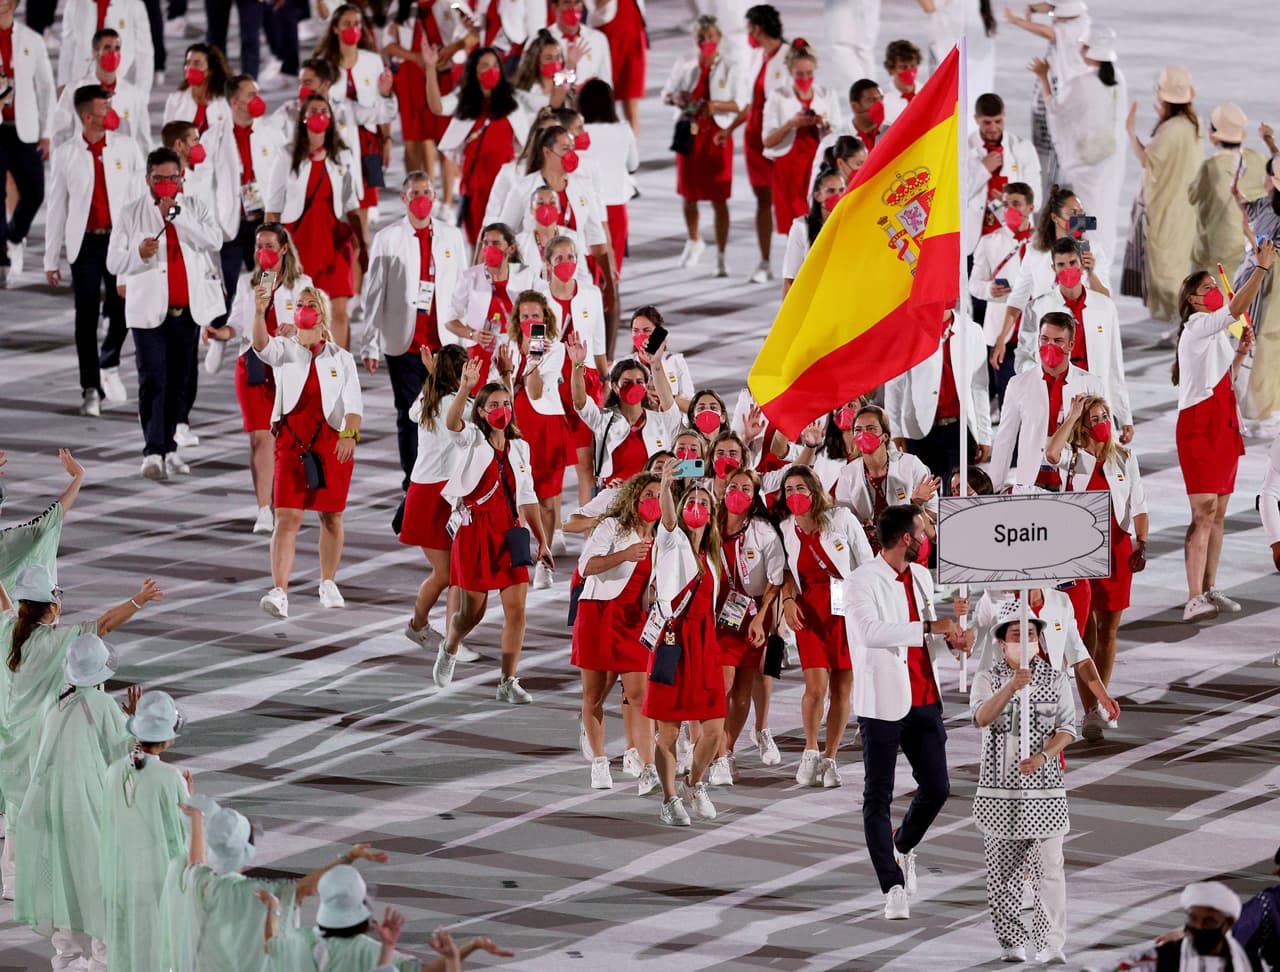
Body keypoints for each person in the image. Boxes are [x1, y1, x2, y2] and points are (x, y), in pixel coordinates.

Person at [0, 564, 161, 896]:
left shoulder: (7, 631)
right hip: (41, 739)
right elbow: (102, 626)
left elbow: (4, 609)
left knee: (18, 810)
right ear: (52, 606)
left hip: (8, 739)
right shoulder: (56, 641)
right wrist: (139, 599)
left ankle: (12, 880)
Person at [846, 504, 971, 920]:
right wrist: (930, 629)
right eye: (923, 531)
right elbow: (869, 632)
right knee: (876, 795)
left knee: (937, 787)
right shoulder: (861, 580)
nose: (927, 537)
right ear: (906, 538)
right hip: (881, 701)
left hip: (924, 698)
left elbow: (945, 627)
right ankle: (892, 886)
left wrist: (956, 640)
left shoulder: (922, 577)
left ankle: (901, 847)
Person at [14, 634, 137, 972]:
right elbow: (126, 756)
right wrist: (135, 724)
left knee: (63, 879)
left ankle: (67, 959)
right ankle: (104, 959)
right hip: (89, 807)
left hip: (48, 809)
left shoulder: (52, 705)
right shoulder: (100, 706)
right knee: (102, 882)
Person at [432, 359, 550, 704]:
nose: (502, 410)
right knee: (473, 612)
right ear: (481, 412)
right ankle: (450, 645)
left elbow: (528, 498)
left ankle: (507, 680)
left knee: (517, 609)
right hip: (476, 531)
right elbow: (452, 423)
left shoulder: (521, 448)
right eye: (494, 405)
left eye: (506, 404)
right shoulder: (470, 440)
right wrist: (467, 387)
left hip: (510, 532)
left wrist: (542, 542)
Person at [105, 146, 226, 481]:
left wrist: (178, 216)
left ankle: (170, 446)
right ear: (148, 179)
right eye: (159, 179)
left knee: (179, 381)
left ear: (181, 177)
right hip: (147, 313)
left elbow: (212, 241)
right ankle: (152, 451)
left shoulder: (194, 207)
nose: (166, 184)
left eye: (172, 178)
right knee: (153, 380)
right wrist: (137, 254)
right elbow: (114, 262)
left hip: (187, 311)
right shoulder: (131, 213)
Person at [970, 600, 1075, 966]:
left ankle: (1050, 943)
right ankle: (1012, 940)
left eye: (1030, 634)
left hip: (1046, 792)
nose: (1025, 641)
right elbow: (981, 717)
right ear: (1001, 641)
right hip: (1000, 795)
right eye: (1017, 635)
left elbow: (1067, 728)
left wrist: (1045, 756)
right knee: (1003, 877)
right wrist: (1012, 687)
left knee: (1050, 871)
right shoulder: (987, 678)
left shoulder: (1055, 679)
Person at [1174, 248, 1273, 621]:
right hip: (1199, 428)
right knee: (1202, 513)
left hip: (1222, 423)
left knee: (1219, 514)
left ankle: (1210, 587)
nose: (1215, 291)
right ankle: (1192, 596)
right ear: (1192, 300)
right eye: (1208, 288)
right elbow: (1233, 309)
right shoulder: (1197, 326)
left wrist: (1239, 352)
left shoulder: (1214, 334)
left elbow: (1219, 380)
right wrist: (1260, 270)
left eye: (1217, 286)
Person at [252, 287, 362, 618]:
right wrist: (259, 313)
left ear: (322, 314)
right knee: (287, 517)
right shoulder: (284, 350)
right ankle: (280, 591)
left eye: (311, 304)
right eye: (299, 304)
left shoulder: (341, 358)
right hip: (290, 443)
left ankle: (328, 582)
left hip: (331, 445)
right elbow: (260, 346)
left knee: (331, 517)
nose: (303, 309)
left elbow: (354, 407)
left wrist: (349, 436)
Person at [1045, 393, 1147, 739]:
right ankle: (1090, 710)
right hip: (1082, 550)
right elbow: (1050, 453)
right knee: (1084, 629)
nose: (1103, 422)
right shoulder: (1073, 458)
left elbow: (1139, 502)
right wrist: (1071, 416)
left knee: (1110, 629)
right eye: (1095, 418)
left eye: (1106, 416)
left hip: (1118, 549)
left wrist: (1142, 541)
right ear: (1083, 427)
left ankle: (1101, 701)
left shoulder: (1124, 457)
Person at [44, 83, 147, 419]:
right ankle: (90, 386)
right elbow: (57, 208)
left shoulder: (127, 148)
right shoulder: (66, 153)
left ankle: (108, 360)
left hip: (119, 241)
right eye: (104, 108)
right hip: (85, 244)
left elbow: (137, 200)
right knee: (85, 316)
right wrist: (50, 258)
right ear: (87, 116)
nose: (111, 112)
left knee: (123, 308)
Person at [204, 223, 312, 535]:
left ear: (283, 249)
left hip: (287, 366)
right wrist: (218, 332)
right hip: (253, 366)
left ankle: (284, 501)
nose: (262, 252)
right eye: (257, 246)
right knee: (260, 438)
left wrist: (297, 329)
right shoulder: (247, 284)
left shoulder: (301, 284)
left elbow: (314, 323)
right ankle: (264, 508)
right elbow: (236, 325)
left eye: (268, 246)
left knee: (285, 438)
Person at [361, 173, 466, 487]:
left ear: (435, 197)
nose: (422, 197)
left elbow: (460, 290)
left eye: (427, 192)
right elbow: (373, 294)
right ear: (404, 198)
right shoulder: (388, 238)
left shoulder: (451, 236)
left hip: (444, 343)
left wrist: (464, 338)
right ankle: (413, 480)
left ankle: (448, 476)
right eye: (415, 192)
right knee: (410, 415)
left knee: (448, 412)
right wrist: (369, 344)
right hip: (404, 344)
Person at [775, 464, 872, 788]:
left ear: (814, 490)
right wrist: (788, 602)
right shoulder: (786, 528)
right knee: (815, 689)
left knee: (842, 689)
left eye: (800, 488)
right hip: (810, 614)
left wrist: (868, 610)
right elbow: (785, 573)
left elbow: (867, 563)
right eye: (788, 490)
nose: (794, 495)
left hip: (846, 612)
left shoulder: (841, 519)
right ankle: (810, 750)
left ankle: (830, 758)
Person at [645, 466, 725, 827]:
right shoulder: (671, 540)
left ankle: (694, 783)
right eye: (690, 500)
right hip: (674, 642)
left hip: (705, 646)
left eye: (703, 502)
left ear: (712, 513)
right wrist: (665, 487)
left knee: (714, 731)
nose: (696, 506)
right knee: (670, 733)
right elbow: (668, 519)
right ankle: (669, 797)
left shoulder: (712, 558)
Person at [572, 472, 660, 795]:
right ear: (634, 499)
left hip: (634, 619)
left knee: (639, 694)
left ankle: (649, 767)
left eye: (657, 496)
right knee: (593, 695)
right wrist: (625, 554)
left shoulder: (664, 537)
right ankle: (598, 760)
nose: (652, 502)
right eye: (647, 496)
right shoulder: (612, 527)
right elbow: (585, 566)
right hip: (598, 612)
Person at [265, 863, 515, 970]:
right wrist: (464, 950)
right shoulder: (370, 952)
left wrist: (274, 908)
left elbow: (271, 944)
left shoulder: (295, 941)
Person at [99, 689, 190, 972]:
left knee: (127, 943)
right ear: (166, 737)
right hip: (157, 876)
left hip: (120, 872)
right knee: (158, 946)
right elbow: (180, 833)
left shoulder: (114, 771)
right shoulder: (169, 777)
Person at [264, 93, 362, 349]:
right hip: (299, 241)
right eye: (313, 110)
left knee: (339, 310)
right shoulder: (287, 155)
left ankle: (339, 370)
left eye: (324, 110)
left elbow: (351, 202)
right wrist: (270, 250)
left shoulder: (342, 155)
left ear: (330, 119)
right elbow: (273, 208)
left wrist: (363, 241)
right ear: (303, 119)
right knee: (301, 309)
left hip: (335, 240)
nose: (319, 115)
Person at [710, 466, 784, 782]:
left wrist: (762, 614)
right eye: (733, 487)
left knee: (741, 692)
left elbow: (776, 578)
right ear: (723, 491)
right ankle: (710, 749)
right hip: (714, 615)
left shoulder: (763, 531)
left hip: (750, 617)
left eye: (745, 489)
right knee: (720, 686)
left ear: (754, 498)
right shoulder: (708, 525)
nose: (737, 493)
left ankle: (725, 753)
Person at [993, 184, 1112, 376]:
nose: (1079, 217)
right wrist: (1001, 338)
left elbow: (1106, 299)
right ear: (1055, 217)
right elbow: (1017, 299)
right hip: (1049, 340)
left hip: (1084, 341)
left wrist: (1091, 274)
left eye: (1081, 212)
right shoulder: (1035, 252)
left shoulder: (1093, 250)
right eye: (1073, 212)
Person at [1031, 23, 1127, 261]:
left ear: (1089, 51)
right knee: (1101, 210)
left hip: (1081, 162)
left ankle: (1079, 257)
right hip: (1106, 161)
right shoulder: (1118, 79)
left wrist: (1043, 76)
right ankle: (1099, 258)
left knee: (1079, 210)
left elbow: (1054, 110)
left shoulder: (1080, 84)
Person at [400, 345, 472, 661]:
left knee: (451, 572)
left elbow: (416, 411)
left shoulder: (428, 399)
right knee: (450, 573)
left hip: (429, 492)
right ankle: (442, 640)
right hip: (436, 495)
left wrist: (435, 377)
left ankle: (424, 629)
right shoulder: (453, 405)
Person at [316, 4, 398, 261]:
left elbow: (381, 104)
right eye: (348, 24)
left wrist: (387, 138)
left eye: (357, 24)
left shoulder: (372, 61)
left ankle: (362, 272)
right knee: (340, 211)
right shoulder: (324, 64)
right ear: (336, 28)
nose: (353, 29)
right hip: (336, 144)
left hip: (369, 142)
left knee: (362, 212)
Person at [1029, 237, 1132, 440]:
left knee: (1098, 461)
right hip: (1055, 397)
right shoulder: (1039, 307)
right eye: (1061, 265)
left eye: (1072, 263)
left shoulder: (1104, 306)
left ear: (1082, 264)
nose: (1067, 269)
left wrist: (1125, 415)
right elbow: (1028, 357)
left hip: (1096, 398)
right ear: (1053, 268)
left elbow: (1114, 364)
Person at [989, 312, 1105, 491]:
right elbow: (1005, 439)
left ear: (1070, 345)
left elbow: (1102, 438)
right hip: (1031, 480)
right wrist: (993, 488)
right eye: (1044, 339)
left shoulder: (1090, 384)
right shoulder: (1019, 384)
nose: (1050, 346)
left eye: (1058, 341)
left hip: (1074, 480)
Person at [1121, 65, 1200, 321]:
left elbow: (1148, 161)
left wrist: (1130, 131)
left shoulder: (1171, 130)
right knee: (1175, 266)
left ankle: (1177, 322)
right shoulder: (1191, 127)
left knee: (1164, 269)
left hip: (1165, 210)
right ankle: (1179, 320)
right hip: (1183, 211)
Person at [661, 15, 738, 277]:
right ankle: (694, 240)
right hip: (689, 132)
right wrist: (676, 97)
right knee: (689, 194)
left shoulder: (730, 67)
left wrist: (714, 106)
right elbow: (666, 94)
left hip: (717, 134)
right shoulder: (685, 63)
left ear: (719, 39)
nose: (706, 42)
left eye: (711, 38)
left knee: (719, 197)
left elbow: (740, 104)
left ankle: (722, 254)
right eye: (701, 38)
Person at [885, 309, 993, 479]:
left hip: (960, 429)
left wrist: (985, 434)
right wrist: (896, 433)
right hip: (918, 431)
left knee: (958, 496)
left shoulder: (972, 331)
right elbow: (894, 386)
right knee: (924, 496)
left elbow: (979, 387)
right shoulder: (907, 331)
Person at [438, 46, 530, 245]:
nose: (492, 70)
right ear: (474, 71)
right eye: (485, 66)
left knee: (509, 240)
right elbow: (436, 106)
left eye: (496, 65)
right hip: (478, 183)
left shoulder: (512, 101)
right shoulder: (464, 100)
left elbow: (526, 142)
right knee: (481, 240)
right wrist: (429, 70)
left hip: (507, 182)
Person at [383, 4, 470, 197]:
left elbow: (469, 35)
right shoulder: (400, 6)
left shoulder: (448, 4)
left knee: (445, 140)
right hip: (410, 78)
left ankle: (447, 201)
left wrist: (452, 50)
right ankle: (416, 194)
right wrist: (414, 57)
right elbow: (387, 44)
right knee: (413, 139)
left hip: (443, 77)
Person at [832, 405, 941, 553]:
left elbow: (934, 521)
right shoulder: (847, 474)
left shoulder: (911, 465)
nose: (864, 434)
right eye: (858, 430)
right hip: (871, 552)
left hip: (911, 549)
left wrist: (915, 505)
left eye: (871, 429)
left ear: (885, 436)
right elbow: (845, 522)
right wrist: (860, 527)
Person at [221, 74, 285, 327]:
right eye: (251, 95)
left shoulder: (270, 133)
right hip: (232, 223)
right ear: (235, 102)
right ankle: (222, 329)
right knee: (225, 283)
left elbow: (282, 177)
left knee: (266, 279)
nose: (258, 100)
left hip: (262, 224)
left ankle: (265, 328)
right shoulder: (217, 137)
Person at [731, 3, 787, 285]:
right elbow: (751, 102)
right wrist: (729, 128)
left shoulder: (788, 57)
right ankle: (765, 261)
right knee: (763, 201)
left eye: (749, 29)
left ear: (758, 27)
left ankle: (797, 261)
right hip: (754, 138)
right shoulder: (757, 56)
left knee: (789, 203)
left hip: (780, 139)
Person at [762, 39, 842, 236]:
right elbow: (767, 140)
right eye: (799, 74)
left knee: (822, 222)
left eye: (809, 73)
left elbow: (838, 135)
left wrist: (824, 126)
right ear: (790, 72)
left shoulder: (826, 94)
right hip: (790, 169)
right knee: (797, 227)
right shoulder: (778, 97)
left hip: (819, 167)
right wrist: (791, 124)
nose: (805, 78)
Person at [965, 93, 1041, 297]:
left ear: (1004, 116)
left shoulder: (1022, 149)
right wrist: (983, 170)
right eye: (986, 122)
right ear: (976, 119)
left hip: (1016, 236)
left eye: (998, 121)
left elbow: (1037, 199)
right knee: (979, 300)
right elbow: (953, 197)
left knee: (1023, 298)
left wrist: (1006, 204)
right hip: (976, 240)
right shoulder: (962, 150)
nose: (993, 128)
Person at [0, 0, 54, 288]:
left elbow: (45, 87)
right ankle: (3, 259)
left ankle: (14, 235)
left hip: (25, 129)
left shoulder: (31, 40)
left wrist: (47, 131)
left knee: (34, 191)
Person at [969, 181, 1034, 406]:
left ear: (1030, 208)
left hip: (1035, 332)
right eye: (1005, 204)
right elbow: (973, 284)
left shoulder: (1043, 243)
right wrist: (989, 289)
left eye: (1016, 204)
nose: (1009, 210)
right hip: (1001, 333)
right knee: (1009, 401)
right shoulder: (989, 242)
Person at [1189, 104, 1267, 287]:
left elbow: (1193, 195)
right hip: (1253, 244)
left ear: (1213, 134)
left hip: (1219, 247)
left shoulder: (1211, 167)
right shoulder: (1258, 159)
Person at [577, 78, 638, 289]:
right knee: (613, 277)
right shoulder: (624, 130)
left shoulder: (578, 133)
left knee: (588, 275)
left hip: (587, 208)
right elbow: (633, 164)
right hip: (616, 208)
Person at [52, 28, 153, 155]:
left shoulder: (134, 95)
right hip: (84, 163)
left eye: (117, 48)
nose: (113, 53)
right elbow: (58, 133)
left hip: (121, 166)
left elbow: (143, 141)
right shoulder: (74, 90)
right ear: (95, 52)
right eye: (107, 48)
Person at [1109, 881, 1252, 971]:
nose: (1199, 927)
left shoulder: (1253, 964)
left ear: (1228, 924)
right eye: (1193, 919)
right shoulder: (1161, 959)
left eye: (1209, 922)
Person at [444, 221, 519, 389]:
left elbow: (541, 320)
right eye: (486, 243)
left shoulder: (525, 276)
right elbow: (449, 320)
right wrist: (472, 334)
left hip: (515, 357)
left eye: (496, 243)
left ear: (511, 249)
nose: (489, 248)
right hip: (479, 357)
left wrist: (537, 353)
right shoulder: (470, 276)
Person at [58, 0, 154, 97]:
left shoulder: (134, 5)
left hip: (120, 88)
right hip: (82, 87)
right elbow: (67, 51)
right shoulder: (74, 4)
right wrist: (63, 88)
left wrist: (142, 95)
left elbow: (144, 55)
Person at [781, 166, 845, 296]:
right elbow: (790, 279)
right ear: (817, 196)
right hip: (812, 300)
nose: (837, 196)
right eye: (831, 191)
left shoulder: (851, 224)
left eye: (841, 190)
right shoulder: (801, 228)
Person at [629, 306, 695, 410]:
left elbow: (691, 407)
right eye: (635, 330)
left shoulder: (676, 361)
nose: (640, 335)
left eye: (647, 330)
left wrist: (665, 397)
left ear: (658, 334)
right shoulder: (623, 364)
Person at [547, 0, 612, 87]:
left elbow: (606, 85)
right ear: (554, 8)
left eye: (577, 2)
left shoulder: (598, 39)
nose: (573, 8)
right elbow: (538, 91)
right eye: (567, 2)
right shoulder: (541, 41)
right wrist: (569, 68)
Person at [510, 30, 571, 118]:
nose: (555, 63)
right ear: (536, 61)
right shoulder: (521, 93)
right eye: (548, 58)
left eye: (558, 57)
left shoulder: (568, 88)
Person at [878, 37, 922, 125]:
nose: (909, 71)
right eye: (903, 67)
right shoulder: (882, 101)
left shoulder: (928, 92)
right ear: (891, 69)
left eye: (913, 66)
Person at [846, 78, 888, 153]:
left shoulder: (892, 134)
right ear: (855, 106)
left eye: (880, 99)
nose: (879, 105)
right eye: (872, 100)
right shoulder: (834, 141)